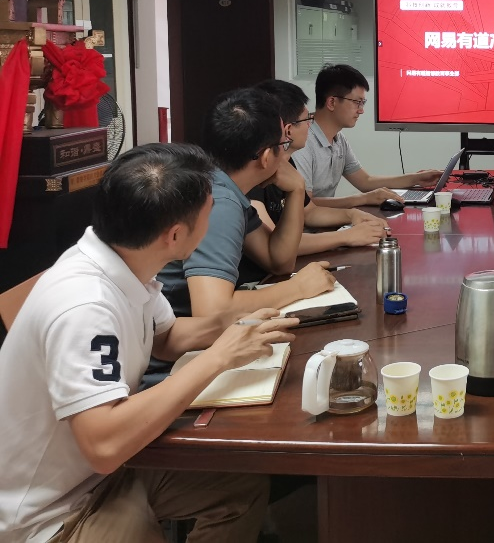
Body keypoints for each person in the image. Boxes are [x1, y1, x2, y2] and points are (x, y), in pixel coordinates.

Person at [0, 143, 298, 543]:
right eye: (210, 210)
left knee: (238, 485)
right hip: (49, 513)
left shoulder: (125, 259)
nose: (215, 216)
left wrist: (235, 325)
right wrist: (217, 359)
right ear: (175, 236)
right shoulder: (85, 306)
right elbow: (104, 445)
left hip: (100, 473)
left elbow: (166, 338)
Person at [145, 89, 335, 385]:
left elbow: (278, 260)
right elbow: (213, 311)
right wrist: (299, 287)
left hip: (191, 351)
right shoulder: (218, 201)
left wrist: (297, 190)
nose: (286, 152)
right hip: (170, 368)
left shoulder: (224, 187)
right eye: (283, 144)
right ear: (266, 157)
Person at [254, 79, 387, 256]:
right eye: (307, 119)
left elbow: (309, 212)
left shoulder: (285, 163)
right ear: (288, 130)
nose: (310, 125)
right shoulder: (253, 178)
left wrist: (352, 215)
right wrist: (347, 236)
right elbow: (276, 248)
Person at [291, 64, 442, 208]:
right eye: (357, 102)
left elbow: (365, 181)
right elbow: (304, 205)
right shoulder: (302, 142)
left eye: (363, 103)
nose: (361, 110)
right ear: (332, 102)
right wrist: (361, 199)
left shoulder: (339, 139)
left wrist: (417, 178)